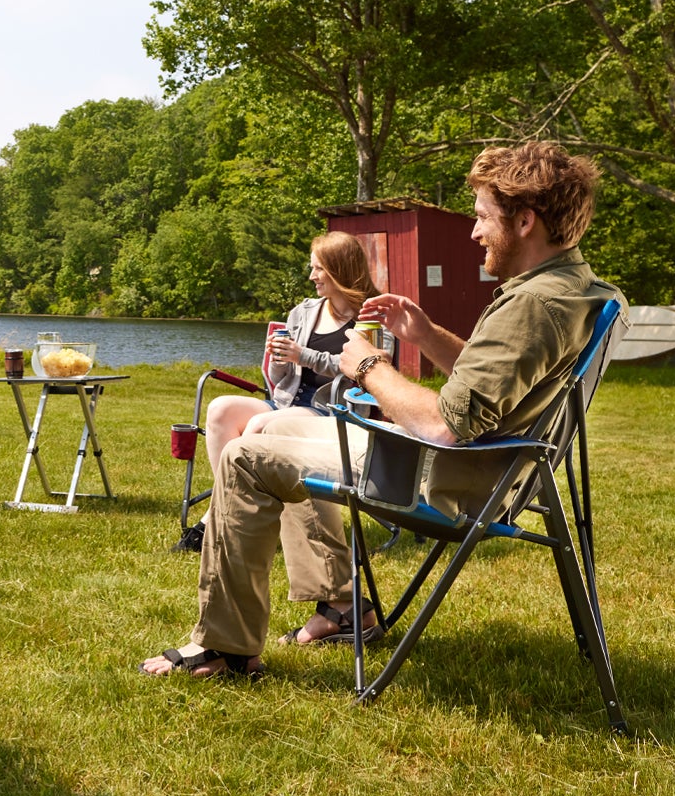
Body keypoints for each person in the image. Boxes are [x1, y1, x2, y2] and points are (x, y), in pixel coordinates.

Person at [143, 141, 622, 678]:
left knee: (243, 456)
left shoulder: (533, 304)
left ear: (526, 221)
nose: (474, 231)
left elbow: (444, 425)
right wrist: (426, 334)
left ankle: (226, 647)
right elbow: (500, 384)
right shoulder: (575, 289)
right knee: (278, 422)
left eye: (483, 217)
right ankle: (340, 604)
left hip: (443, 478)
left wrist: (368, 364)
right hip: (501, 468)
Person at [200, 231, 381, 482]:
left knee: (259, 425)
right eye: (311, 267)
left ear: (339, 270)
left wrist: (303, 355)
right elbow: (278, 378)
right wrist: (280, 359)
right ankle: (225, 500)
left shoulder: (372, 317)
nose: (311, 276)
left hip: (331, 411)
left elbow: (369, 369)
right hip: (286, 402)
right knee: (220, 409)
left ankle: (235, 505)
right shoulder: (304, 312)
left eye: (318, 269)